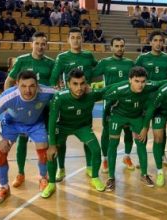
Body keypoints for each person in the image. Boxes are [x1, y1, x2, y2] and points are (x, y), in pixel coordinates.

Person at [0, 70, 55, 205]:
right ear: (17, 85)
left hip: (36, 124)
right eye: (23, 86)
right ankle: (4, 188)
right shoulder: (8, 96)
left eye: (32, 86)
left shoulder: (47, 92)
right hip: (12, 124)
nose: (28, 90)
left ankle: (42, 177)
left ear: (37, 85)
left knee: (44, 152)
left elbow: (65, 95)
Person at [41, 69, 106, 198]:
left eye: (82, 83)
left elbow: (110, 90)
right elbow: (52, 121)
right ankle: (53, 182)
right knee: (51, 153)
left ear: (86, 83)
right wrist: (52, 144)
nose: (79, 87)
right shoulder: (59, 97)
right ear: (68, 84)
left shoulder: (91, 95)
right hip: (63, 126)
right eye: (75, 84)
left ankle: (95, 177)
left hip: (83, 127)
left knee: (96, 150)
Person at [3, 32, 54, 188]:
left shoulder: (51, 63)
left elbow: (54, 87)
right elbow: (9, 81)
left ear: (46, 45)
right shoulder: (22, 60)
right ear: (32, 44)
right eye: (37, 43)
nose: (40, 46)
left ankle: (43, 176)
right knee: (22, 141)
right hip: (24, 109)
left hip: (44, 109)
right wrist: (9, 104)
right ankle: (20, 173)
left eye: (43, 43)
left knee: (44, 143)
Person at [103, 66, 166, 191]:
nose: (140, 85)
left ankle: (144, 174)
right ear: (130, 80)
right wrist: (106, 123)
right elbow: (107, 103)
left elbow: (165, 82)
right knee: (113, 145)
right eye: (137, 81)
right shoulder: (119, 90)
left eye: (143, 81)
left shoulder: (148, 87)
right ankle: (111, 177)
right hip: (118, 117)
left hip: (136, 117)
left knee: (141, 144)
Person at [49, 27, 98, 182]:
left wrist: (92, 87)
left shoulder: (89, 55)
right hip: (68, 101)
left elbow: (97, 69)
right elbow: (53, 78)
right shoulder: (62, 57)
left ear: (82, 39)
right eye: (73, 37)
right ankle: (61, 168)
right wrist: (60, 91)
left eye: (79, 37)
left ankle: (90, 167)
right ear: (68, 40)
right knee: (60, 140)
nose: (76, 40)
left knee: (87, 136)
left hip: (85, 102)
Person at [93, 37, 135, 172]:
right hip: (109, 105)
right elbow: (90, 75)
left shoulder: (130, 63)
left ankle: (127, 156)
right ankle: (105, 159)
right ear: (111, 48)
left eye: (122, 46)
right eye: (116, 46)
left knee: (128, 130)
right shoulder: (104, 63)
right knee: (107, 132)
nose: (119, 48)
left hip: (127, 103)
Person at [135, 31, 167, 165]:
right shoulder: (142, 58)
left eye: (160, 40)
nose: (158, 43)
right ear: (150, 42)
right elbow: (135, 78)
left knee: (160, 130)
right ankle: (142, 158)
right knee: (142, 131)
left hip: (162, 100)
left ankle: (162, 154)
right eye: (155, 40)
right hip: (145, 100)